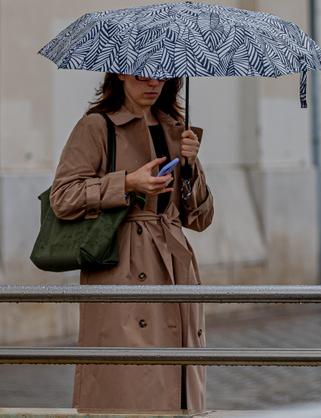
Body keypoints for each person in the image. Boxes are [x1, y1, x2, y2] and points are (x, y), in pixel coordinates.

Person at [49, 73, 214, 413]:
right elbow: (62, 197)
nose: (153, 84)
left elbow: (200, 218)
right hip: (122, 267)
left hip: (174, 268)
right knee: (130, 386)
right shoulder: (97, 126)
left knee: (178, 387)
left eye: (162, 76)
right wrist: (126, 183)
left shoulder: (175, 128)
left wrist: (190, 166)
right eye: (142, 76)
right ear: (120, 75)